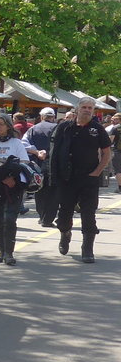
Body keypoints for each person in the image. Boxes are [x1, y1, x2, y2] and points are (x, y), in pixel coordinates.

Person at [49, 96, 112, 263]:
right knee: (64, 214)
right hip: (67, 178)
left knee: (88, 213)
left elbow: (107, 152)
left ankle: (87, 248)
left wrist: (98, 171)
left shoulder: (97, 129)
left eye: (90, 108)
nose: (87, 110)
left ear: (93, 111)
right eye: (84, 107)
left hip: (89, 178)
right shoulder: (64, 127)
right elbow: (54, 152)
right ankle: (65, 234)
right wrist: (53, 175)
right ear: (77, 109)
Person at [0, 115, 32, 265]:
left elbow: (23, 161)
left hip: (13, 185)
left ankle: (9, 252)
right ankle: (1, 250)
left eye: (1, 124)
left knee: (9, 219)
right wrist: (3, 177)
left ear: (8, 126)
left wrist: (11, 177)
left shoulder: (16, 143)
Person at [22, 107, 59, 226]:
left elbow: (24, 144)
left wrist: (37, 152)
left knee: (39, 190)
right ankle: (47, 218)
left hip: (37, 164)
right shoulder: (58, 129)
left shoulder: (32, 129)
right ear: (53, 117)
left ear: (42, 117)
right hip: (54, 164)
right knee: (53, 192)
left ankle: (42, 216)